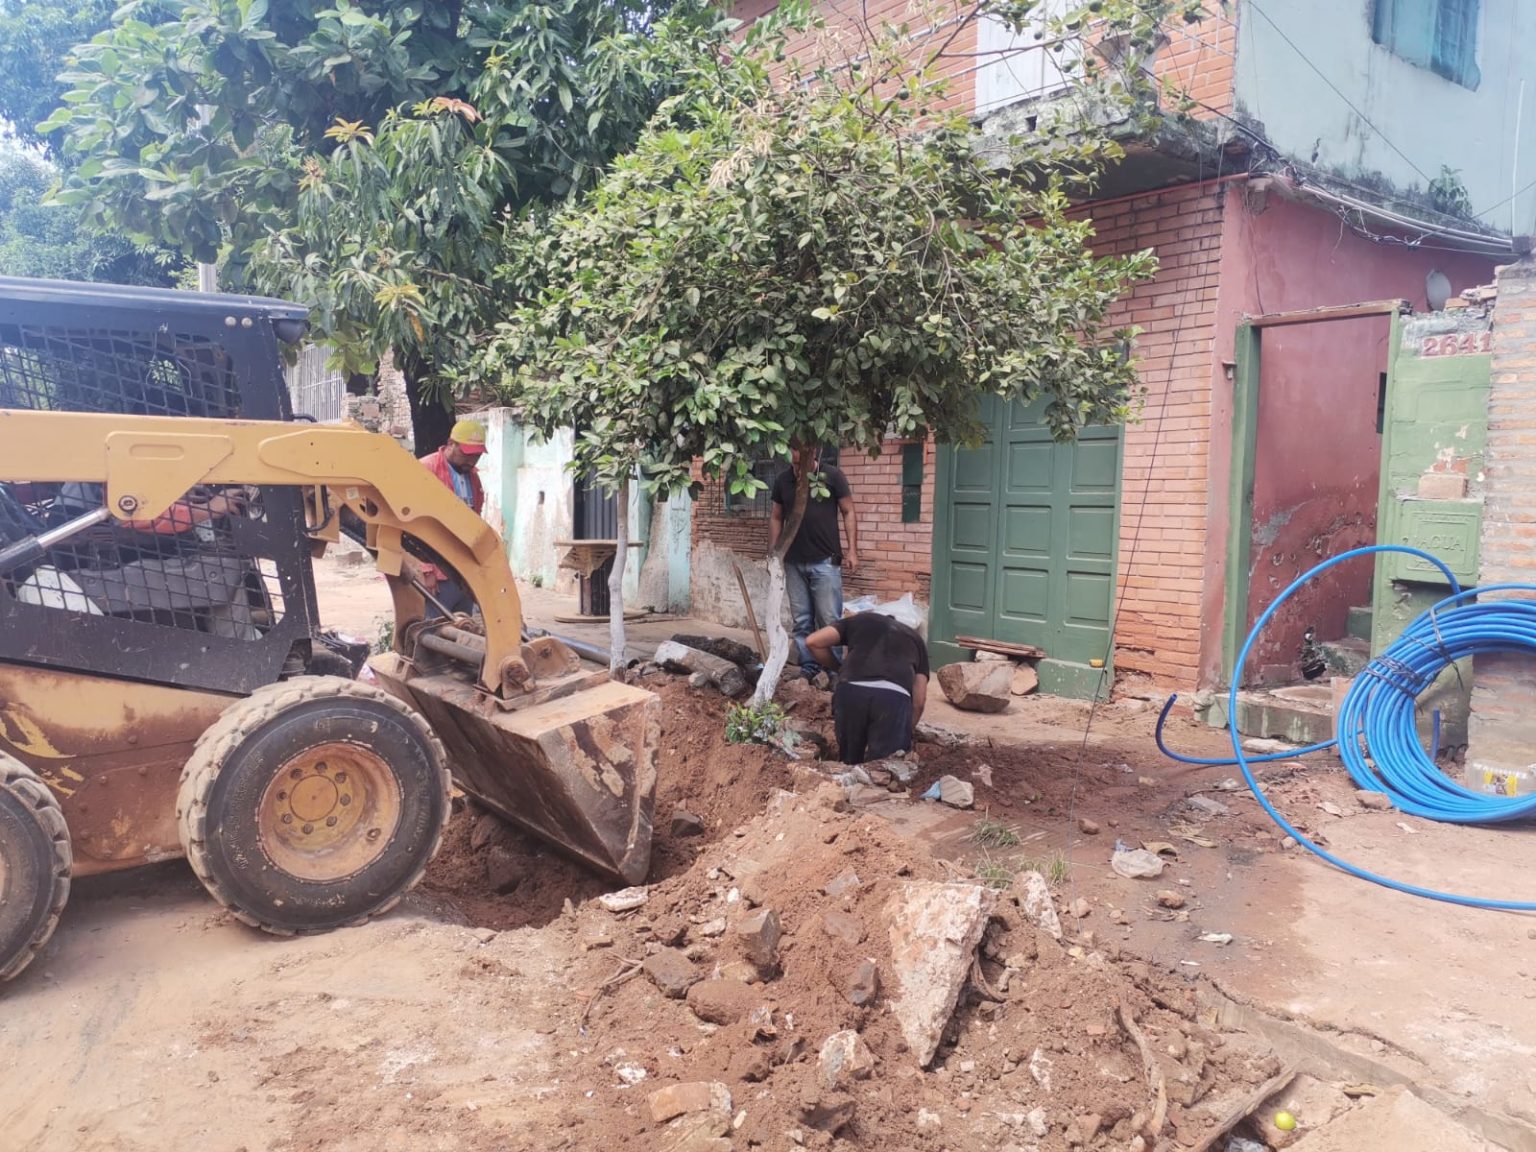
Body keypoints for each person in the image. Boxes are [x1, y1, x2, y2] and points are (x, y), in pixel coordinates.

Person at [768, 453, 858, 677]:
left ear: (813, 452)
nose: (798, 467)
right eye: (794, 463)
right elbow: (776, 517)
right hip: (793, 562)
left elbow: (848, 511)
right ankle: (809, 667)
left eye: (802, 462)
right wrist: (774, 554)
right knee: (801, 620)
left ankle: (835, 671)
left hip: (825, 560)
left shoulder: (832, 476)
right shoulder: (783, 480)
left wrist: (852, 550)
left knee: (829, 620)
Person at [806, 611, 928, 765]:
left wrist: (839, 668)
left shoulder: (860, 620)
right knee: (886, 766)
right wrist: (906, 730)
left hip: (851, 690)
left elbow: (813, 641)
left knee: (849, 763)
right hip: (893, 698)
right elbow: (919, 701)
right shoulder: (916, 639)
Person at [416, 418, 487, 612]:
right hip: (437, 573)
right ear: (450, 444)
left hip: (464, 571)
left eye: (477, 456)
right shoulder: (426, 470)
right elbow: (416, 525)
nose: (471, 461)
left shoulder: (472, 476)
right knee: (434, 625)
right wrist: (426, 569)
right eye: (467, 454)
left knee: (464, 625)